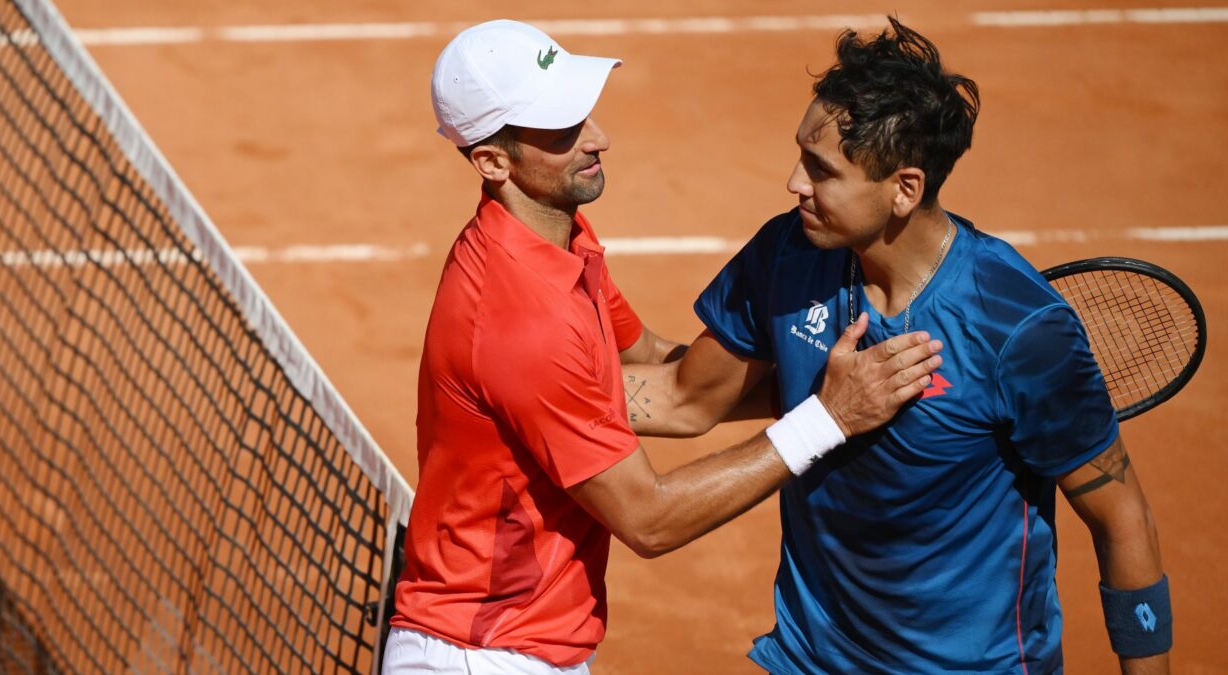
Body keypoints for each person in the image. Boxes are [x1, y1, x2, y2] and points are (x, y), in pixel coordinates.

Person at [382, 19, 945, 675]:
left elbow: (675, 387)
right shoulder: (520, 318)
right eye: (563, 131)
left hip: (525, 640)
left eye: (584, 113)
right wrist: (828, 416)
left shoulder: (561, 241)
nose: (598, 138)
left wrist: (814, 376)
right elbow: (648, 520)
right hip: (482, 653)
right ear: (492, 161)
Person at [625, 17, 1170, 674]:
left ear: (904, 189)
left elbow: (1123, 517)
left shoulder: (1017, 328)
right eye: (802, 155)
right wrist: (507, 391)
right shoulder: (788, 256)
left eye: (820, 170)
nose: (795, 184)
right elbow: (683, 397)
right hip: (812, 657)